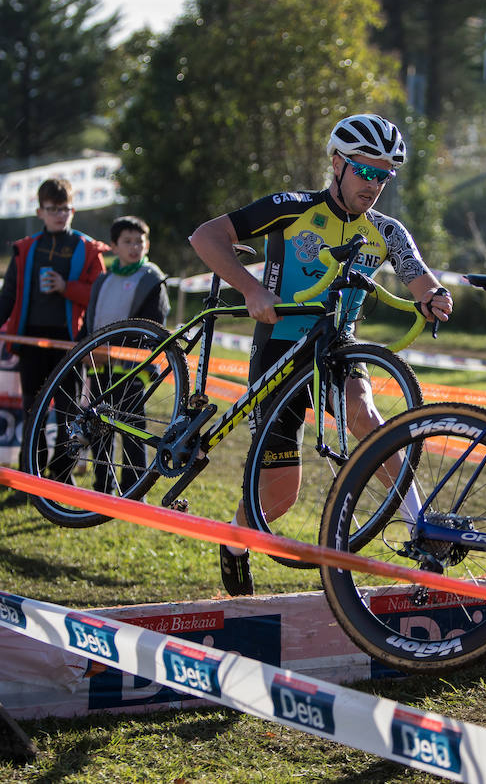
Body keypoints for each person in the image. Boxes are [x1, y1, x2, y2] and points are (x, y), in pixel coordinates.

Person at [189, 113, 452, 596]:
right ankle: (235, 541)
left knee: (367, 415)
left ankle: (422, 528)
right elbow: (205, 237)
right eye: (365, 171)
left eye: (384, 175)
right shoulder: (292, 207)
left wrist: (433, 296)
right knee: (281, 493)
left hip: (337, 346)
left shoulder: (387, 232)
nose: (374, 184)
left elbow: (420, 276)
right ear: (337, 164)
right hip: (280, 349)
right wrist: (250, 289)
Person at [0, 179, 106, 475]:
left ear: (72, 209)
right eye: (52, 209)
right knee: (32, 411)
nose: (59, 214)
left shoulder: (87, 249)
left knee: (68, 415)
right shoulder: (27, 248)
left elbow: (100, 294)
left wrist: (66, 288)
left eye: (64, 209)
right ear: (39, 211)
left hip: (70, 344)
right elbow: (9, 293)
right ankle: (29, 474)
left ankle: (62, 477)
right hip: (30, 340)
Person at [83, 215, 169, 492]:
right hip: (100, 368)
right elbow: (91, 320)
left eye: (139, 241)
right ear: (113, 246)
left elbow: (153, 325)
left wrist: (127, 353)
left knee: (132, 431)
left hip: (133, 370)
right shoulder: (103, 280)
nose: (134, 247)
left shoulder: (152, 280)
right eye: (127, 242)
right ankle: (102, 487)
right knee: (100, 429)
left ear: (148, 244)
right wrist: (87, 349)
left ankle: (134, 491)